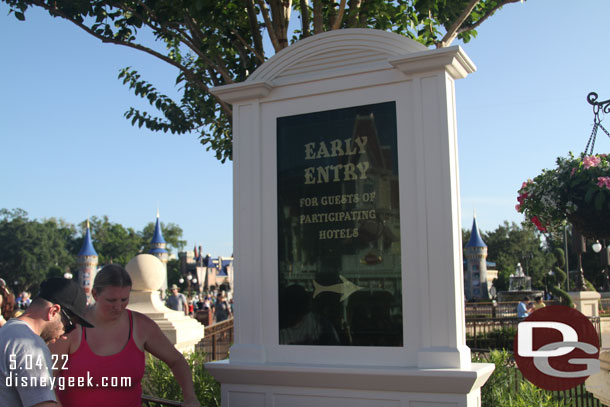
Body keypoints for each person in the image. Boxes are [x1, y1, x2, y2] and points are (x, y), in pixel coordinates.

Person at [50, 265, 200, 407]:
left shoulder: (141, 326)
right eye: (111, 300)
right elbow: (44, 381)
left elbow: (176, 360)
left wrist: (190, 397)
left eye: (124, 300)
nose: (118, 306)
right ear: (95, 294)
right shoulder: (71, 328)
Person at [0, 277, 93, 406]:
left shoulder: (7, 331)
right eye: (69, 327)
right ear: (53, 311)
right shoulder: (30, 346)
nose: (65, 336)